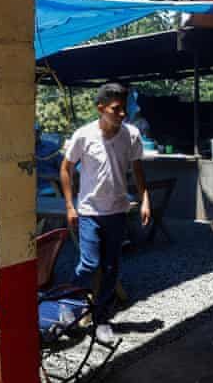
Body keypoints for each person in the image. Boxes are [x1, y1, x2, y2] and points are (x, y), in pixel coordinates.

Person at [60, 82, 150, 343]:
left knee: (112, 267)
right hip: (89, 211)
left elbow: (138, 170)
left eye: (124, 109)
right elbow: (65, 168)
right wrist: (69, 206)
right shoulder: (84, 135)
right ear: (101, 108)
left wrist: (145, 199)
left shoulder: (131, 135)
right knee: (89, 263)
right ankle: (68, 303)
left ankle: (101, 319)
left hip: (118, 211)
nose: (122, 114)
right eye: (116, 109)